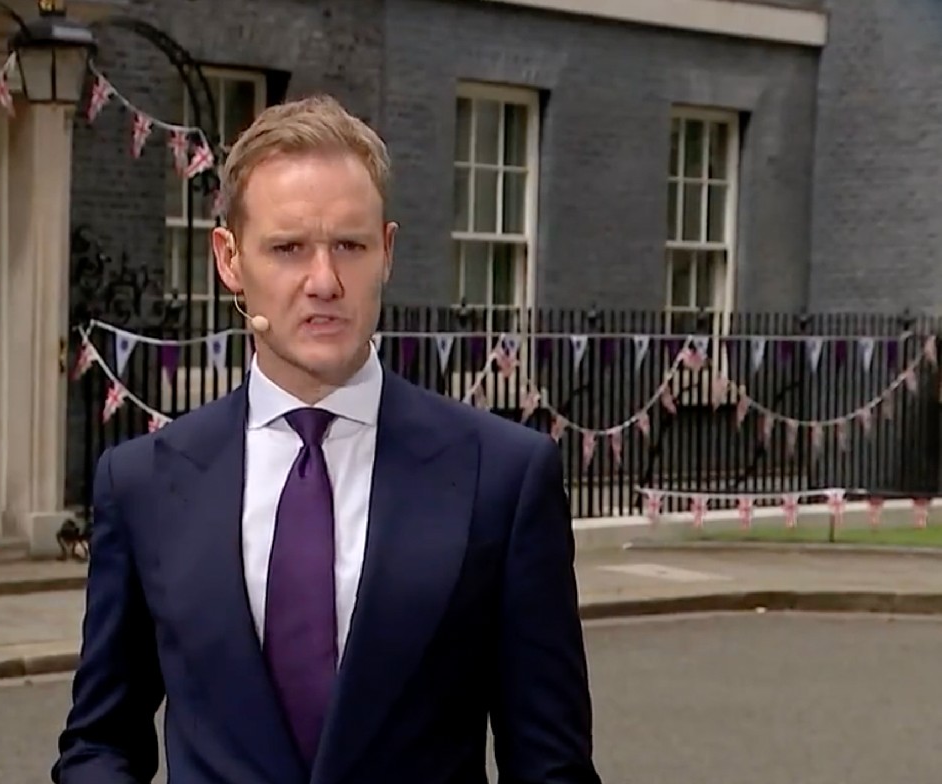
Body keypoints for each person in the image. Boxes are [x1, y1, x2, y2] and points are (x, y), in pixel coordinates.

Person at [52, 94, 601, 784]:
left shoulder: (504, 477)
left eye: (349, 245)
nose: (324, 281)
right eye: (288, 249)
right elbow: (100, 742)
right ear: (228, 259)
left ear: (387, 252)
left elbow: (550, 764)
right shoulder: (141, 483)